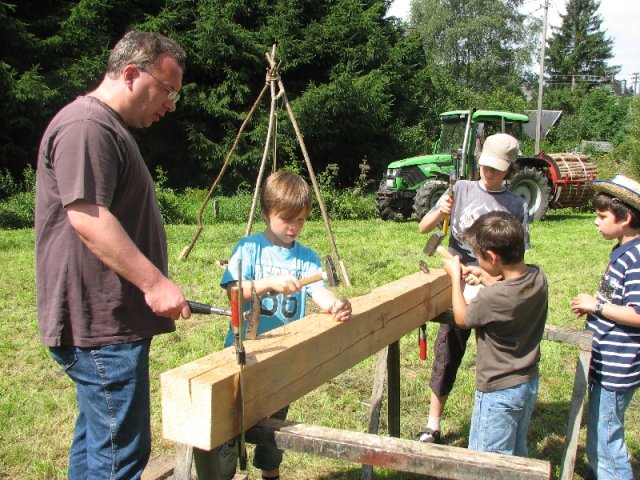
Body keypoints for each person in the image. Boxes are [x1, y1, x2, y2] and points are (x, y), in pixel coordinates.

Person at [35, 31, 190, 479]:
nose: (171, 105)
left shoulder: (105, 127)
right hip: (102, 328)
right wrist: (154, 283)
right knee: (119, 459)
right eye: (167, 90)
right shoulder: (87, 126)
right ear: (131, 74)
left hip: (108, 324)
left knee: (97, 447)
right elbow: (88, 217)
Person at [217, 170, 352, 480]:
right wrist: (268, 284)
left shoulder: (307, 258)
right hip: (243, 354)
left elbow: (318, 290)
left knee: (273, 429)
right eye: (286, 219)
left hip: (282, 358)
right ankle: (225, 469)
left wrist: (334, 304)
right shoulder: (249, 248)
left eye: (301, 220)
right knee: (229, 426)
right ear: (266, 214)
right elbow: (234, 291)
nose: (294, 227)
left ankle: (270, 473)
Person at [417, 132, 530, 444]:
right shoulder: (461, 189)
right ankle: (433, 424)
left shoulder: (515, 205)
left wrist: (485, 276)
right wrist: (440, 210)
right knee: (447, 351)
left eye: (496, 168)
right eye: (485, 165)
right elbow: (423, 228)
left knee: (496, 357)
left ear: (509, 169)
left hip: (493, 287)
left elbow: (517, 262)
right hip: (456, 282)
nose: (488, 172)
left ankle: (495, 423)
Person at [441, 211, 548, 455]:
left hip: (498, 392)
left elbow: (462, 318)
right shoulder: (537, 276)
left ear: (492, 256)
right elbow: (511, 291)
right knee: (515, 454)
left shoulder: (492, 297)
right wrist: (487, 278)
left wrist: (456, 280)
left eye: (478, 256)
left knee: (487, 462)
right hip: (527, 382)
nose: (477, 261)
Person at [570, 174, 640, 480]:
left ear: (625, 219)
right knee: (600, 430)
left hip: (617, 366)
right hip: (607, 361)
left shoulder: (635, 258)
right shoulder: (624, 250)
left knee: (607, 438)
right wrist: (596, 305)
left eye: (602, 216)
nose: (596, 222)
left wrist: (596, 307)